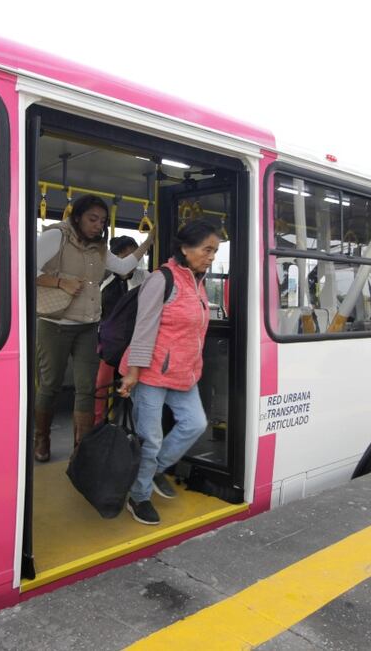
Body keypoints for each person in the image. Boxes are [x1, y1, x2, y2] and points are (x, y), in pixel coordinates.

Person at [34, 194, 154, 462]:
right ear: (77, 217)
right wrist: (59, 282)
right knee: (50, 385)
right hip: (54, 324)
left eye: (102, 221)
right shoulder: (56, 237)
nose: (98, 225)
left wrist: (148, 242)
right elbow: (23, 266)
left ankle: (81, 448)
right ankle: (41, 438)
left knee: (86, 388)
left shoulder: (99, 248)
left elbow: (123, 267)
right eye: (92, 219)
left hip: (88, 326)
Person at [116, 220, 218, 525]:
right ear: (186, 249)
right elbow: (144, 328)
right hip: (149, 371)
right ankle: (139, 496)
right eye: (207, 250)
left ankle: (154, 469)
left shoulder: (198, 281)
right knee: (151, 438)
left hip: (183, 372)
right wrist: (133, 372)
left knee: (195, 424)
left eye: (215, 251)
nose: (211, 256)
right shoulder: (162, 279)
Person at [93, 235, 148, 424]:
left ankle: (135, 425)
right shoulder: (104, 283)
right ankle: (97, 425)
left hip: (135, 343)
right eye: (128, 256)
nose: (134, 260)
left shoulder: (146, 278)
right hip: (110, 344)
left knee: (136, 388)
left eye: (136, 254)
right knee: (101, 384)